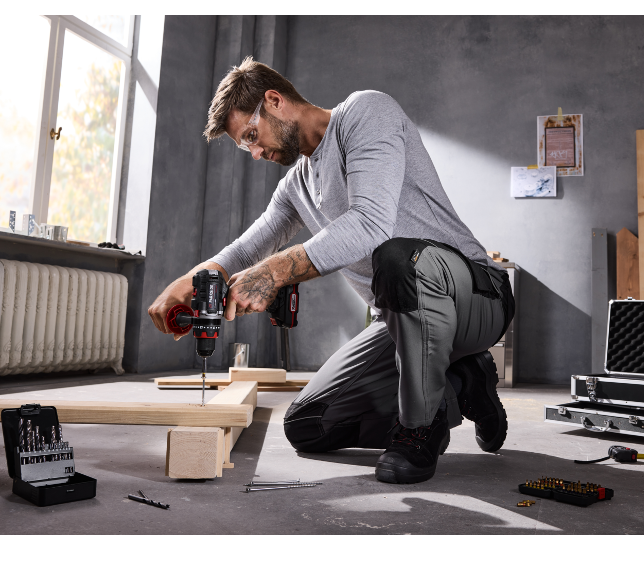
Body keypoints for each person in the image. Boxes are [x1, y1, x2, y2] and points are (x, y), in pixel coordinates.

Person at [148, 56, 515, 484]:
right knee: (308, 424)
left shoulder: (365, 112)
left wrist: (276, 272)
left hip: (475, 295)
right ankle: (466, 381)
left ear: (274, 100)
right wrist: (188, 283)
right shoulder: (295, 186)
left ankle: (420, 426)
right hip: (399, 320)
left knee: (397, 258)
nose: (255, 152)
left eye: (252, 135)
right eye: (245, 146)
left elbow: (369, 223)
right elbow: (250, 246)